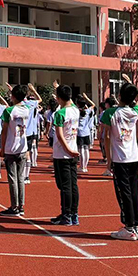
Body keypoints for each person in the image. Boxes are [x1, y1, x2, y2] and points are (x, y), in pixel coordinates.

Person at [101, 80, 138, 241]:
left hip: (120, 158)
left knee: (123, 193)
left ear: (119, 96)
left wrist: (108, 159)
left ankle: (129, 227)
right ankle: (135, 225)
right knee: (133, 192)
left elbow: (105, 136)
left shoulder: (110, 113)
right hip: (133, 157)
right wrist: (132, 86)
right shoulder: (134, 112)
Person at [50, 84, 80, 226]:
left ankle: (66, 214)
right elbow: (71, 103)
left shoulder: (60, 114)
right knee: (73, 185)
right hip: (73, 152)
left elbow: (60, 135)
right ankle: (73, 214)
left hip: (63, 154)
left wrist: (67, 149)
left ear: (58, 98)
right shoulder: (75, 110)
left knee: (65, 186)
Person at [0, 84, 31, 216]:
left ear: (13, 96)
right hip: (22, 147)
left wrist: (2, 148)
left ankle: (14, 206)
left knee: (12, 178)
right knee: (20, 177)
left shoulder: (9, 111)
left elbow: (4, 131)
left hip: (11, 147)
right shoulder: (27, 109)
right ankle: (21, 205)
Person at [78, 94, 96, 173]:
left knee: (81, 149)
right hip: (87, 132)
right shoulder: (88, 111)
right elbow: (93, 104)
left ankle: (82, 166)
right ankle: (85, 166)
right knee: (86, 149)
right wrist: (86, 98)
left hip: (79, 133)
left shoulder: (77, 111)